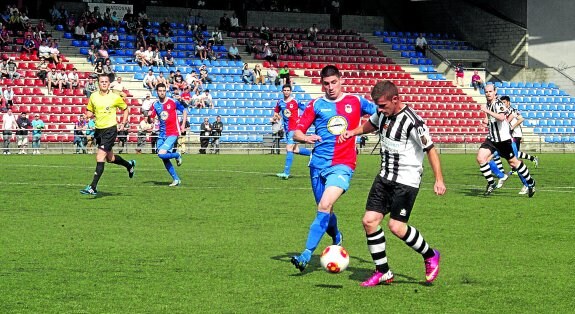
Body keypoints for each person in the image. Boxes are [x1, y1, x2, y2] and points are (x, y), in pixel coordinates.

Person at [339, 80, 446, 286]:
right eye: (377, 106)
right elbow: (370, 124)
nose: (379, 110)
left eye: (382, 105)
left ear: (395, 99)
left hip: (406, 182)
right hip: (384, 177)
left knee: (396, 227)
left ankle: (430, 255)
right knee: (369, 221)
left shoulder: (413, 122)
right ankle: (383, 271)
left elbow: (430, 149)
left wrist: (438, 179)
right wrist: (353, 132)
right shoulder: (382, 114)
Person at [289, 65, 376, 272]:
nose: (330, 87)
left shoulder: (355, 101)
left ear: (341, 80)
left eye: (334, 82)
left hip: (342, 165)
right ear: (322, 84)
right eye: (326, 84)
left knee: (325, 205)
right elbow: (296, 133)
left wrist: (364, 130)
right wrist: (305, 137)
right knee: (325, 209)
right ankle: (336, 235)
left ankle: (306, 254)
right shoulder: (316, 105)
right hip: (317, 165)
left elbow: (379, 114)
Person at [80, 74, 136, 196]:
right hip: (99, 130)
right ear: (98, 83)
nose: (104, 83)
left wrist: (123, 122)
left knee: (100, 157)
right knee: (110, 158)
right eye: (102, 81)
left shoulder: (114, 97)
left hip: (110, 129)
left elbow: (125, 109)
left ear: (109, 83)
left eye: (106, 81)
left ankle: (93, 187)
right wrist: (86, 115)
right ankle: (129, 165)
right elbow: (90, 111)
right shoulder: (93, 96)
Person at [476, 84, 536, 197]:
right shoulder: (488, 105)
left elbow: (501, 117)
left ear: (495, 92)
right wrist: (485, 123)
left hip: (503, 140)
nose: (488, 93)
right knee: (481, 158)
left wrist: (486, 112)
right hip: (492, 139)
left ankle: (530, 182)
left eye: (490, 91)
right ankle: (491, 183)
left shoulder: (499, 104)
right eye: (486, 92)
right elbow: (493, 120)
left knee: (514, 163)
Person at [498, 95, 539, 194]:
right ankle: (506, 174)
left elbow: (521, 119)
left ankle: (526, 184)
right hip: (508, 137)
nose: (502, 104)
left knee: (515, 161)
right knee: (509, 157)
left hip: (514, 137)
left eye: (504, 102)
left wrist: (512, 127)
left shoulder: (512, 110)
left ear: (508, 102)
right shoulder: (502, 111)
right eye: (501, 102)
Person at [148, 83, 187, 186]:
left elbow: (184, 111)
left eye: (163, 91)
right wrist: (148, 117)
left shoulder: (173, 102)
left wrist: (183, 125)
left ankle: (177, 155)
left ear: (166, 91)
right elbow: (150, 119)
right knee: (163, 157)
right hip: (162, 134)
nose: (162, 92)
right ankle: (176, 179)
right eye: (160, 91)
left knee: (161, 153)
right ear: (157, 92)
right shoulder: (155, 104)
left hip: (173, 132)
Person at [274, 84, 311, 179]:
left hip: (294, 128)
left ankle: (286, 173)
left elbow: (307, 110)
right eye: (284, 90)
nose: (286, 92)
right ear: (282, 91)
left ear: (290, 91)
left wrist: (301, 120)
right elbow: (276, 113)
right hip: (287, 129)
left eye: (288, 90)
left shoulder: (295, 101)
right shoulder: (280, 102)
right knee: (295, 150)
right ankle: (313, 154)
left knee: (289, 148)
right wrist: (276, 118)